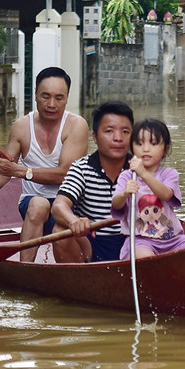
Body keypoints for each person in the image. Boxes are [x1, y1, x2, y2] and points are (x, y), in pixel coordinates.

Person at [0, 67, 89, 262]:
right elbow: (3, 172)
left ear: (67, 98)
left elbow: (65, 174)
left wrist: (21, 171)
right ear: (34, 94)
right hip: (33, 205)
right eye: (45, 96)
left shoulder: (77, 125)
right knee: (38, 203)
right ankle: (26, 268)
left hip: (69, 204)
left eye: (59, 98)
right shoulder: (21, 127)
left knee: (62, 220)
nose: (51, 104)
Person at [51, 101, 134, 263]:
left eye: (125, 132)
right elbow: (59, 206)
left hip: (133, 242)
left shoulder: (141, 169)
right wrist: (74, 221)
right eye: (109, 131)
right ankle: (78, 283)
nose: (118, 138)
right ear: (95, 137)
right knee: (60, 231)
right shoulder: (81, 168)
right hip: (93, 243)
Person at [111, 118, 185, 260]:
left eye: (154, 143)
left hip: (172, 240)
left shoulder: (169, 174)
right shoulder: (127, 176)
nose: (146, 149)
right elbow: (116, 204)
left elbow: (166, 194)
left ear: (165, 148)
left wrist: (143, 173)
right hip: (141, 241)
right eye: (139, 143)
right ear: (132, 147)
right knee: (147, 258)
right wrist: (125, 193)